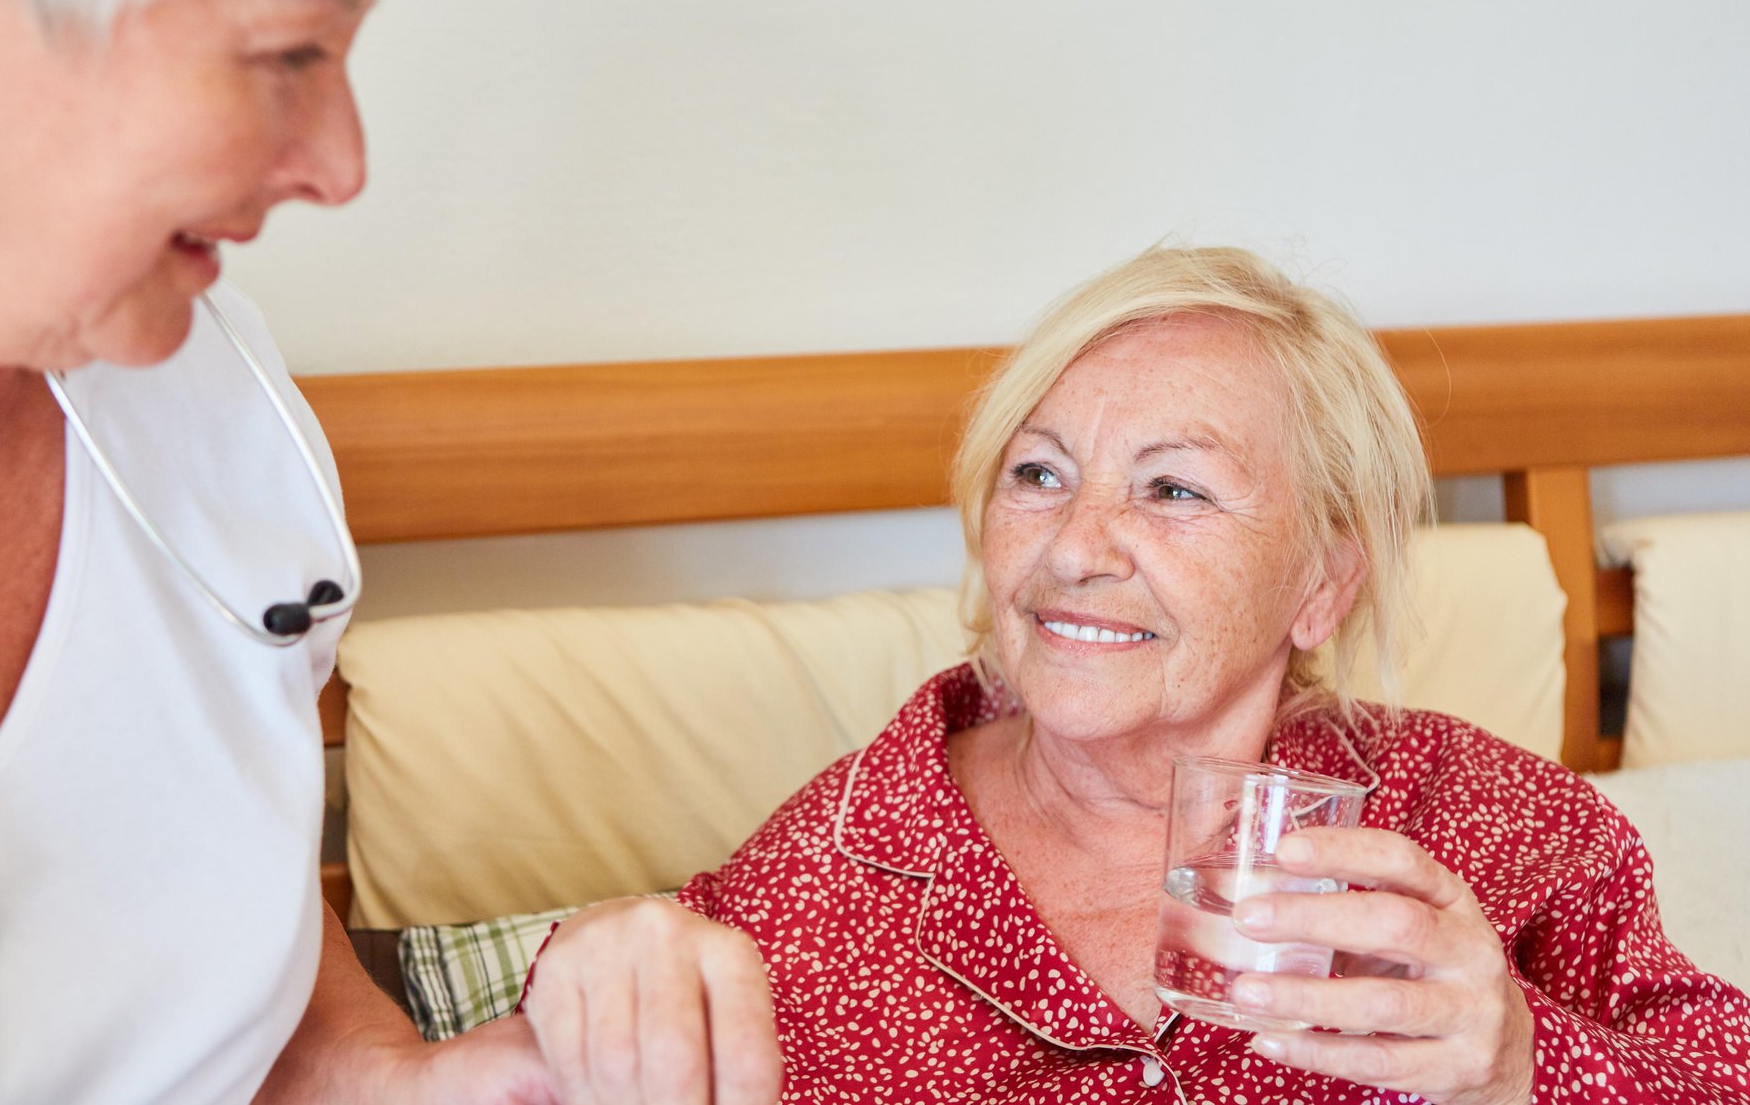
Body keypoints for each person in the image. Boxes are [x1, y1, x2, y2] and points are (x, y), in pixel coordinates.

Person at [0, 0, 776, 1102]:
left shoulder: (194, 388)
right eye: (290, 52)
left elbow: (233, 975)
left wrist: (399, 1083)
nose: (340, 164)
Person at [605, 246, 1750, 1103]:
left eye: (1172, 489)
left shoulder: (1490, 827)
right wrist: (583, 970)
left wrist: (1521, 1064)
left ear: (1321, 582)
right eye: (1039, 474)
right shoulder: (821, 882)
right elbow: (580, 1036)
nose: (1073, 548)